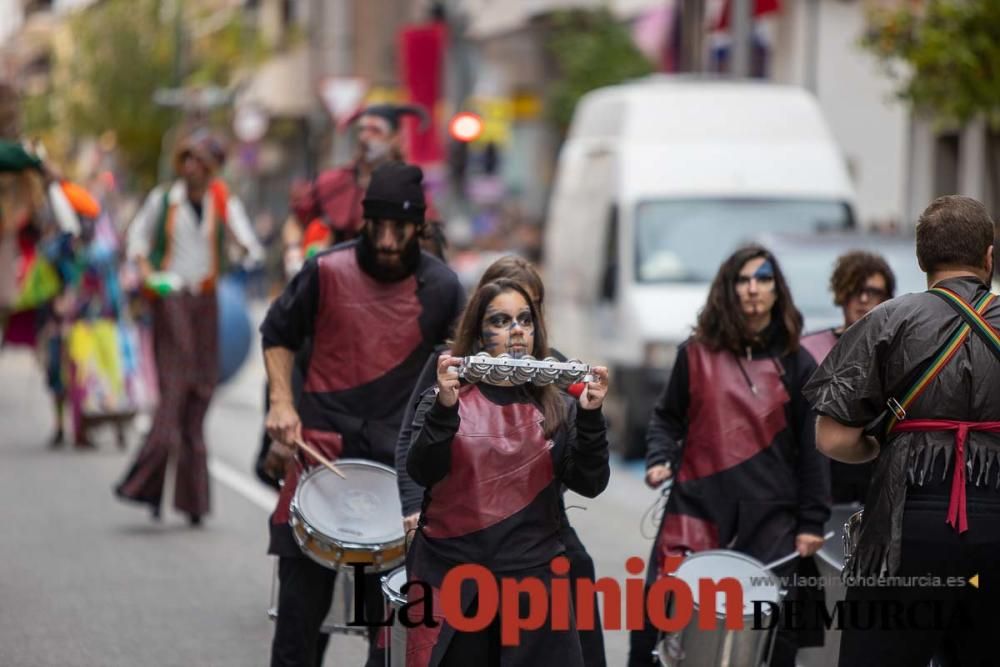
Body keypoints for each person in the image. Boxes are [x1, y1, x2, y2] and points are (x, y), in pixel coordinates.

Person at [261, 162, 464, 667]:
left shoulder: (443, 288)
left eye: (402, 229)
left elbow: (462, 375)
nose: (390, 241)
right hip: (320, 463)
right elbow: (278, 333)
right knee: (298, 636)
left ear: (420, 228)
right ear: (363, 223)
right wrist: (282, 403)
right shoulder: (325, 271)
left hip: (399, 480)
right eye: (379, 227)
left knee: (390, 638)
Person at [804, 195, 1000, 667]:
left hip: (904, 526)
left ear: (920, 259)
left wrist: (883, 446)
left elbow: (831, 437)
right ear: (989, 257)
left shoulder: (885, 321)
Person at [395, 254, 608, 667]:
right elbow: (421, 467)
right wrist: (443, 408)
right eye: (500, 321)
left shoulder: (558, 392)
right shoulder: (449, 383)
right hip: (456, 573)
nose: (516, 332)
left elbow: (590, 482)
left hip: (533, 573)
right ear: (478, 332)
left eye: (525, 320)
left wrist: (592, 416)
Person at [629, 245, 831, 667]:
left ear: (778, 291)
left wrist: (812, 521)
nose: (753, 288)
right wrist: (659, 458)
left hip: (771, 524)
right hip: (695, 515)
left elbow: (813, 448)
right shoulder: (694, 353)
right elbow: (666, 418)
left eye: (763, 278)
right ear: (728, 288)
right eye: (743, 279)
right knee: (660, 629)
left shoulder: (796, 364)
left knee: (769, 646)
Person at [254, 103, 439, 486]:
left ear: (393, 138)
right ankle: (279, 449)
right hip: (326, 299)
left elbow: (430, 247)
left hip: (385, 307)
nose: (365, 136)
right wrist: (294, 252)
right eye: (362, 129)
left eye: (374, 129)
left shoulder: (410, 191)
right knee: (293, 359)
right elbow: (296, 220)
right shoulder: (333, 181)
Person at [114, 130, 263, 524]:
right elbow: (137, 243)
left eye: (200, 161)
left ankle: (191, 503)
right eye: (188, 159)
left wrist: (238, 242)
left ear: (212, 168)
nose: (191, 166)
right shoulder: (164, 200)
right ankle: (145, 486)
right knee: (175, 388)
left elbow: (249, 247)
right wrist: (149, 276)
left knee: (200, 391)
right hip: (172, 297)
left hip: (207, 300)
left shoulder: (222, 200)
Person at [802, 251, 896, 505]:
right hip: (824, 483)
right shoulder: (810, 349)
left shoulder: (902, 351)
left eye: (874, 292)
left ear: (888, 298)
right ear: (841, 293)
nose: (864, 299)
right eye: (856, 290)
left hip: (881, 483)